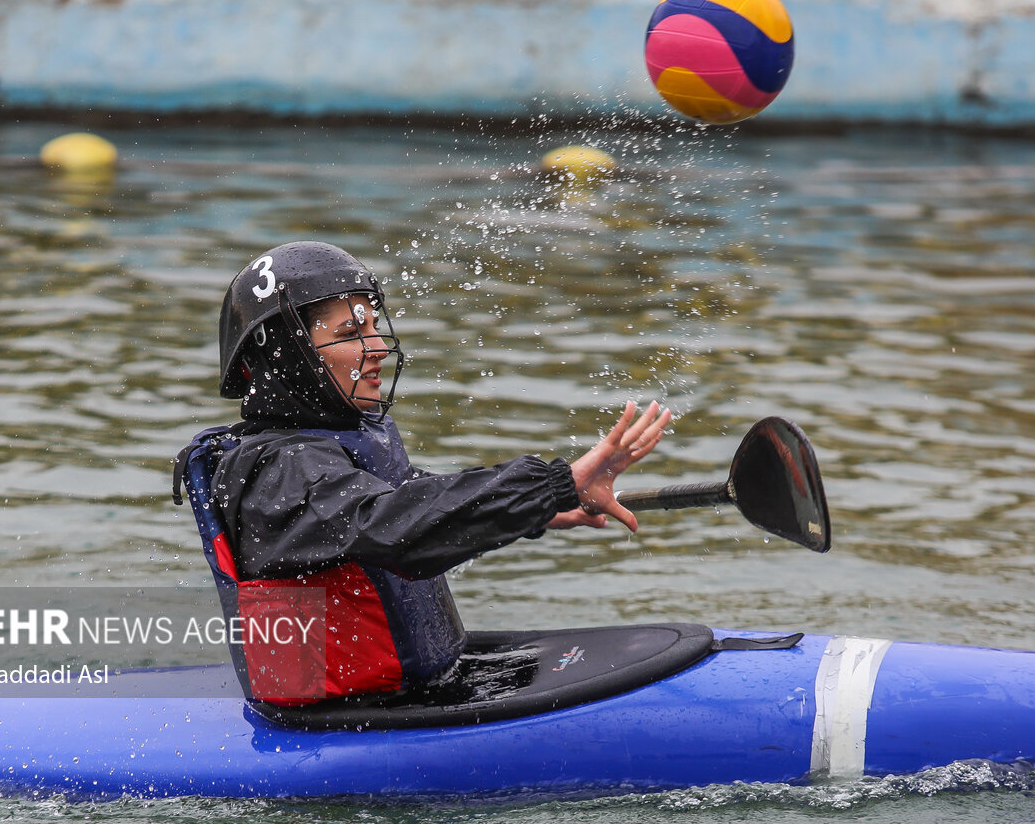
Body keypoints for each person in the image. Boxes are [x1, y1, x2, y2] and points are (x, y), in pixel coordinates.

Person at [183, 240, 671, 705]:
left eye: (373, 326)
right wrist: (554, 483)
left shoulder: (330, 445)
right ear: (285, 356)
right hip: (345, 719)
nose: (377, 347)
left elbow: (419, 498)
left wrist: (535, 510)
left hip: (408, 689)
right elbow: (394, 526)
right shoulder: (281, 471)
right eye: (350, 333)